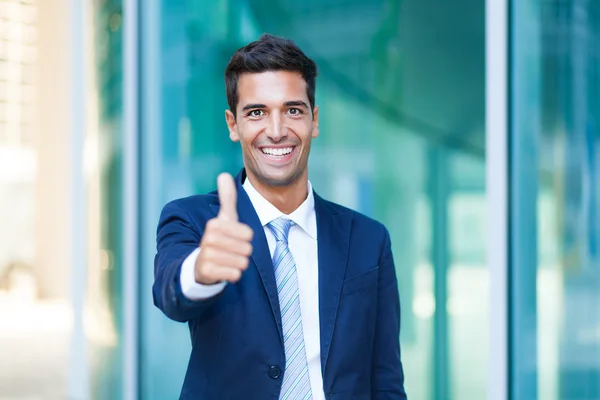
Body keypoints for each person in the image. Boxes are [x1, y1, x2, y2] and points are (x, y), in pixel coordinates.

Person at [153, 33, 407, 400]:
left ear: (314, 120)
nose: (276, 131)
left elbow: (385, 380)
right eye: (256, 112)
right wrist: (200, 270)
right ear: (232, 124)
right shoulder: (193, 221)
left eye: (293, 110)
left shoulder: (370, 239)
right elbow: (170, 291)